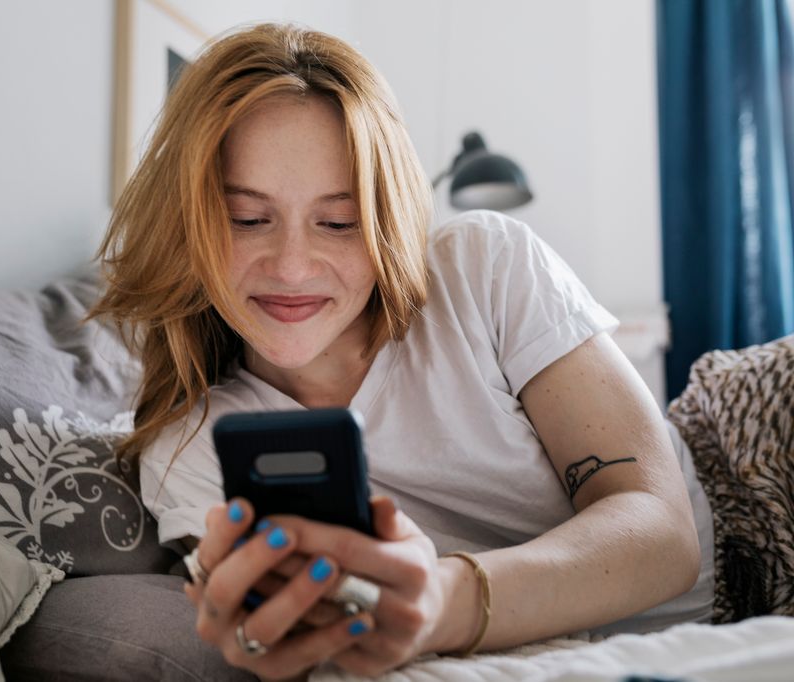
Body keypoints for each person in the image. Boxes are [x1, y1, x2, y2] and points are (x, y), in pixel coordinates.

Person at [87, 22, 717, 680]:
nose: (294, 267)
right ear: (187, 224)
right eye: (247, 219)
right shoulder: (191, 444)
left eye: (339, 221)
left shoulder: (484, 266)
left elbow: (667, 537)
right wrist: (270, 628)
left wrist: (446, 598)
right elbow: (299, 625)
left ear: (386, 218)